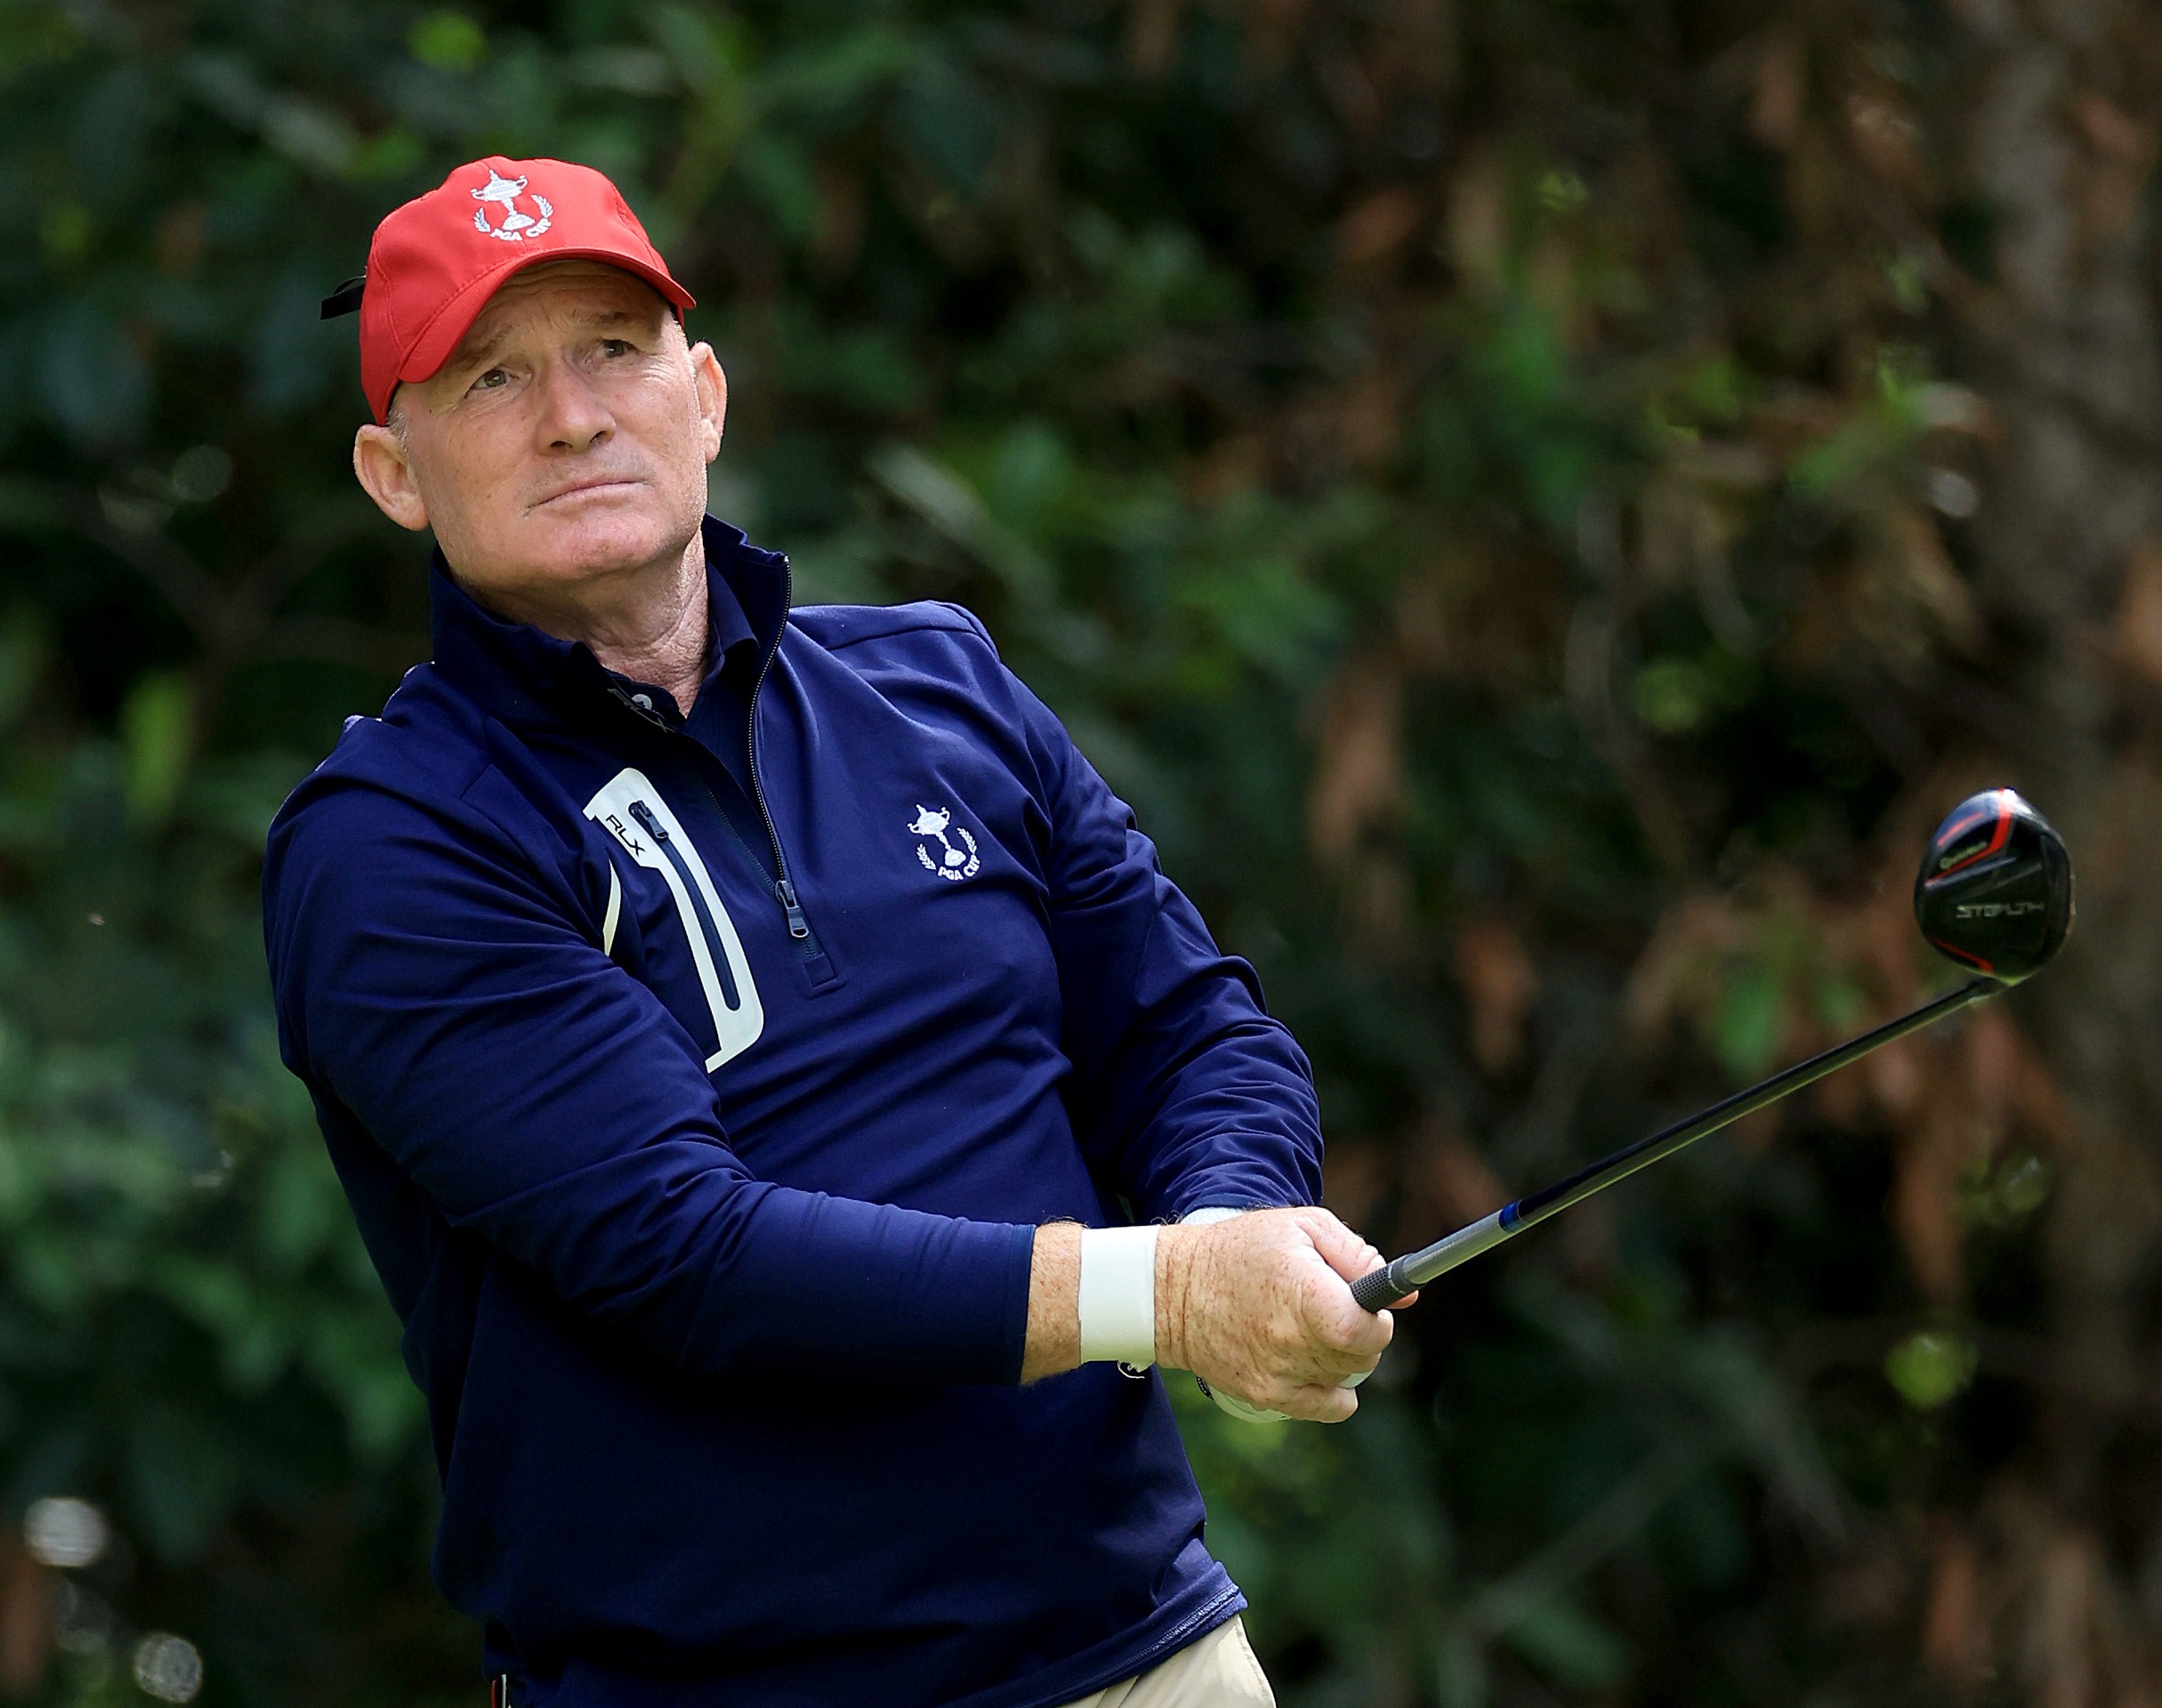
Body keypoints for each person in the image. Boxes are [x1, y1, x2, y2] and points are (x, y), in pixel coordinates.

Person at [266, 155, 1406, 1708]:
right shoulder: (396, 841)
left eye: (615, 349)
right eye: (492, 378)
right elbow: (684, 1251)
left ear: (705, 397)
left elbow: (1189, 1028)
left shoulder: (940, 682)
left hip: (1149, 1655)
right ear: (394, 474)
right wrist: (1172, 1295)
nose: (574, 416)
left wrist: (1234, 1223)